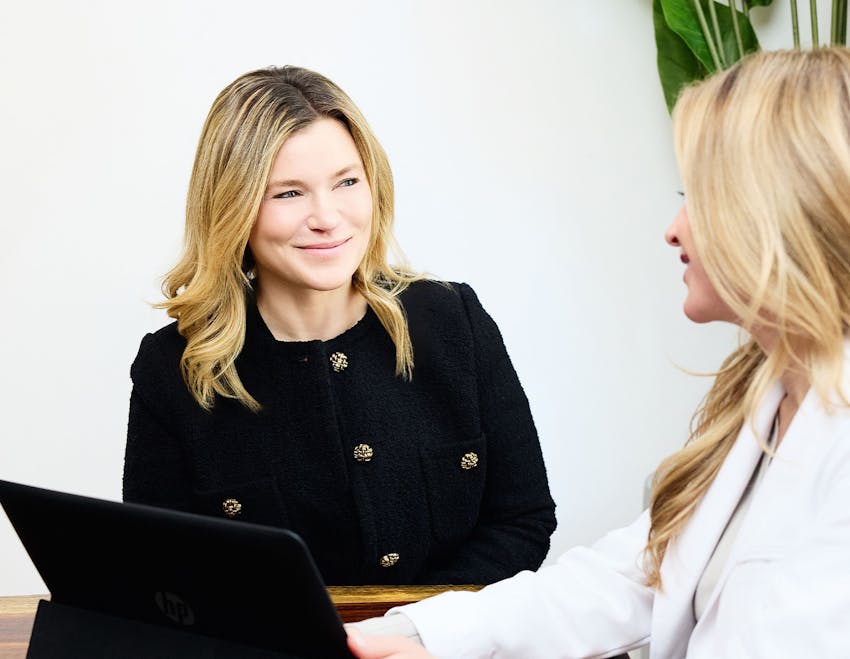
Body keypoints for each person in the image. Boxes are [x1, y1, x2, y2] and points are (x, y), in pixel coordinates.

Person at [345, 47, 850, 658]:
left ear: (781, 211)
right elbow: (633, 578)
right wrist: (418, 636)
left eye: (699, 197)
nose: (674, 228)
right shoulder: (771, 398)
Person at [122, 66, 556, 586]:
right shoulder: (171, 369)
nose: (327, 217)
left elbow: (521, 520)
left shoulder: (452, 320)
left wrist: (416, 631)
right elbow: (167, 570)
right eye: (288, 193)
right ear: (232, 208)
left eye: (347, 182)